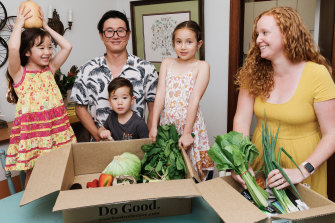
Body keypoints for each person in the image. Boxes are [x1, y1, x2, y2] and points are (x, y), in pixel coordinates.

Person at [233, 7, 335, 197]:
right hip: (261, 160)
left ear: (288, 34)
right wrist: (240, 159)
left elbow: (332, 134)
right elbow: (241, 120)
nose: (257, 40)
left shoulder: (317, 74)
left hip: (303, 165)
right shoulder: (252, 73)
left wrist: (302, 170)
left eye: (265, 33)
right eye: (257, 34)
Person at [5, 6, 77, 185]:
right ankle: (32, 207)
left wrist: (46, 26)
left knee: (60, 170)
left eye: (49, 47)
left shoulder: (50, 69)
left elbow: (67, 46)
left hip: (55, 130)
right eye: (41, 48)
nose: (47, 52)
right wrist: (19, 24)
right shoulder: (19, 73)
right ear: (27, 52)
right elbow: (13, 48)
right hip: (34, 134)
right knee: (34, 174)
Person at [71, 10, 158, 141]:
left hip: (135, 148)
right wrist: (98, 136)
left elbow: (154, 109)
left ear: (128, 34)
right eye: (109, 31)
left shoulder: (147, 69)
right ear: (101, 35)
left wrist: (146, 141)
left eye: (121, 30)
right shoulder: (87, 69)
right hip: (100, 146)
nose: (115, 36)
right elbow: (80, 108)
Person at [149, 21, 214, 181]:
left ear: (199, 44)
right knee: (170, 170)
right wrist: (153, 125)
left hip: (190, 126)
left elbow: (194, 99)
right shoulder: (167, 63)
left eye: (189, 42)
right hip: (168, 126)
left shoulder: (202, 66)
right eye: (179, 42)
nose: (183, 47)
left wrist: (186, 133)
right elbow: (160, 93)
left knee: (192, 174)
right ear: (173, 43)